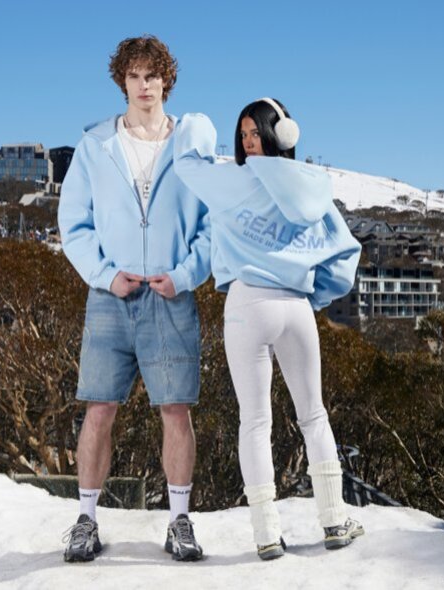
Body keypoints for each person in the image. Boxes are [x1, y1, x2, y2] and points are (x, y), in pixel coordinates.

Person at [173, 99, 364, 560]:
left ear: (277, 134)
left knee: (255, 422)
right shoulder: (312, 186)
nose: (246, 142)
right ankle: (335, 520)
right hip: (295, 306)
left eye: (252, 133)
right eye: (242, 135)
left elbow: (185, 162)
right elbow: (343, 250)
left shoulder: (229, 181)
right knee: (313, 415)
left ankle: (265, 534)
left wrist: (198, 124)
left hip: (247, 304)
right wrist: (315, 291)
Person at [58, 35, 212, 563]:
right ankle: (85, 521)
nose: (144, 85)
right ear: (121, 81)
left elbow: (211, 223)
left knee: (176, 410)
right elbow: (73, 224)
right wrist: (104, 275)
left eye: (152, 75)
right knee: (99, 408)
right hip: (111, 297)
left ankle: (180, 522)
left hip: (171, 296)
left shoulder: (191, 145)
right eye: (134, 76)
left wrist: (186, 274)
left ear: (166, 78)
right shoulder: (95, 145)